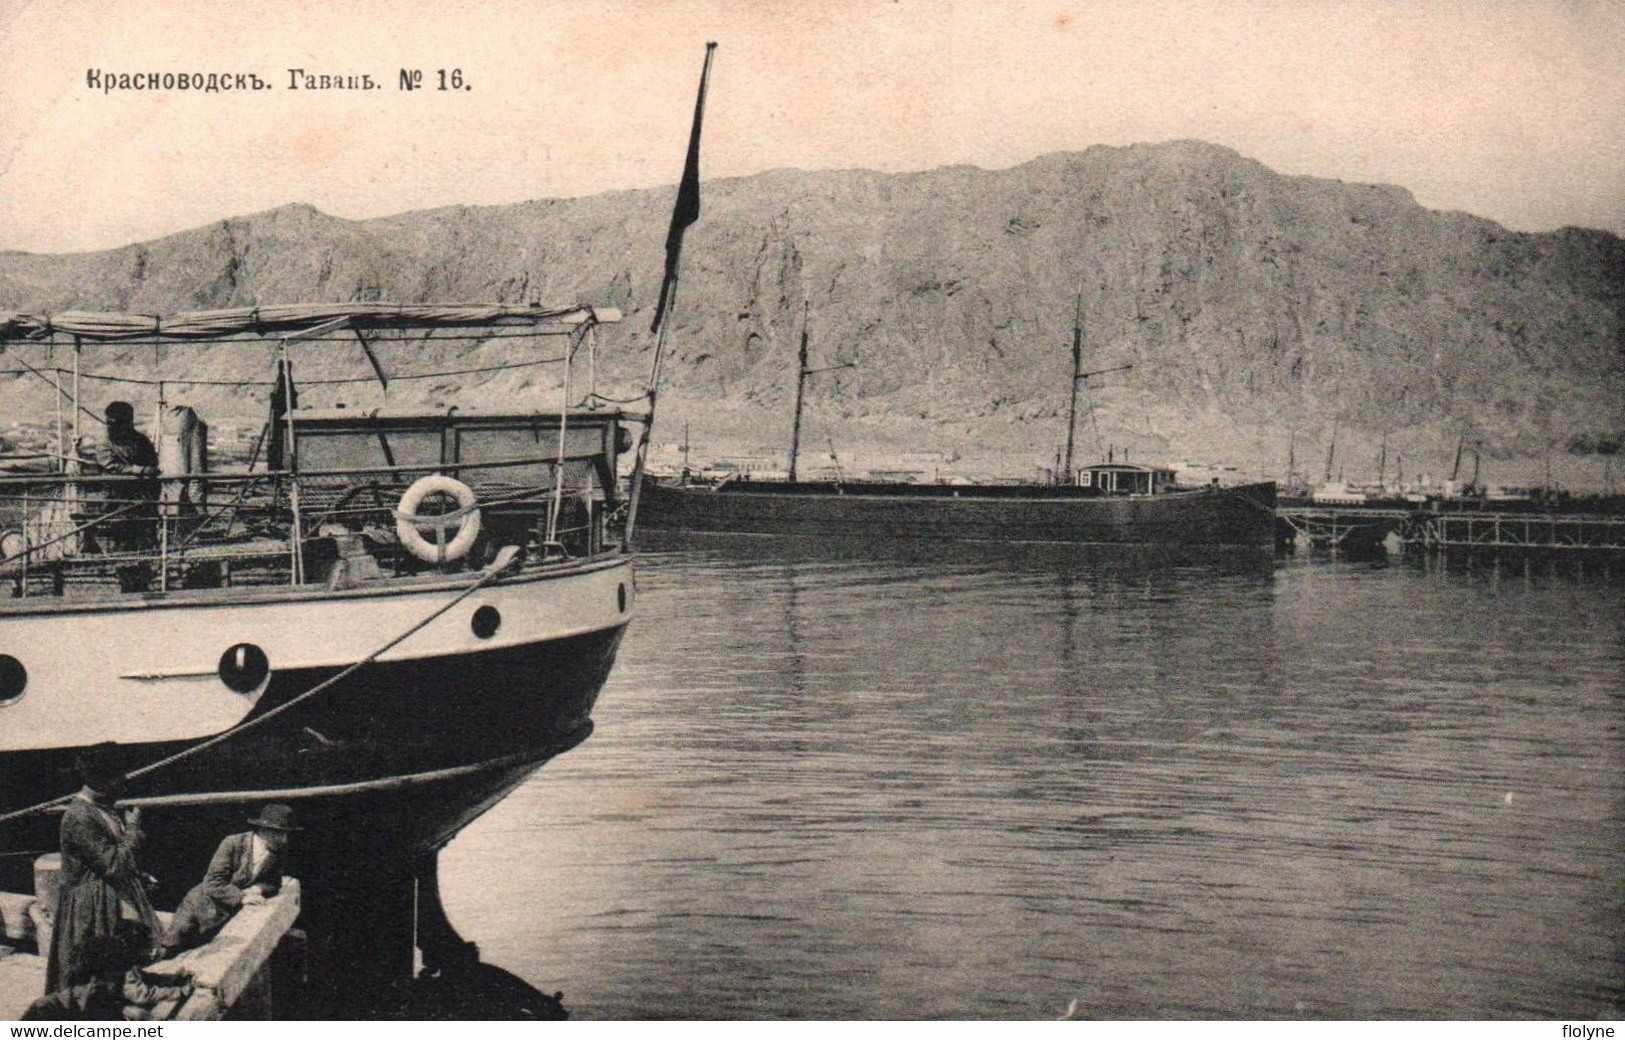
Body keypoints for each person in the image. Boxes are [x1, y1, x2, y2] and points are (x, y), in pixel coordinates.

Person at [45, 745, 159, 994]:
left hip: (109, 897)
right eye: (119, 778)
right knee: (95, 967)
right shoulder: (79, 816)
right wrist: (132, 830)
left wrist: (137, 875)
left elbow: (111, 858)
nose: (124, 784)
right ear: (102, 780)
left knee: (118, 962)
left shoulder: (102, 809)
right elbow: (112, 864)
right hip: (91, 906)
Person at [159, 804, 297, 957]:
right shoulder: (233, 843)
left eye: (286, 834)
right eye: (279, 834)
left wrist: (256, 889)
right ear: (264, 830)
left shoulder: (277, 851)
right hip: (200, 908)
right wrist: (243, 897)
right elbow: (212, 882)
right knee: (171, 948)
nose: (284, 840)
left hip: (226, 916)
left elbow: (273, 882)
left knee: (202, 958)